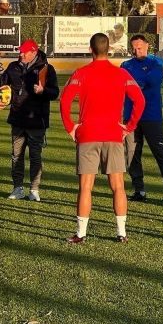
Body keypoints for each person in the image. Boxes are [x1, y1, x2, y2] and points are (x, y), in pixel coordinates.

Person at [60, 33, 145, 243]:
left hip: (88, 135)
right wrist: (129, 127)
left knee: (86, 187)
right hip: (113, 135)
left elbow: (65, 101)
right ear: (109, 50)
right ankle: (121, 233)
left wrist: (70, 127)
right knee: (118, 186)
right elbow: (140, 100)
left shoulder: (81, 73)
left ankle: (81, 233)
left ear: (90, 49)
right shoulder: (121, 74)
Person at [0, 39, 59, 202]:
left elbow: (55, 93)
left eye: (24, 52)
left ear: (34, 52)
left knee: (35, 156)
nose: (20, 54)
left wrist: (43, 91)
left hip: (37, 121)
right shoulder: (13, 67)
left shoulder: (47, 69)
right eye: (20, 51)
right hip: (17, 120)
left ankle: (34, 190)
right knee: (16, 156)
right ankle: (18, 188)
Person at [121, 34, 163, 204]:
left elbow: (151, 80)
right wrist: (134, 84)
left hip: (151, 116)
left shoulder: (156, 62)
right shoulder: (125, 65)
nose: (136, 51)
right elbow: (122, 84)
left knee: (160, 153)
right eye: (133, 48)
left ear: (147, 46)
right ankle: (139, 190)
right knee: (132, 154)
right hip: (130, 117)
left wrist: (133, 84)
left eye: (139, 48)